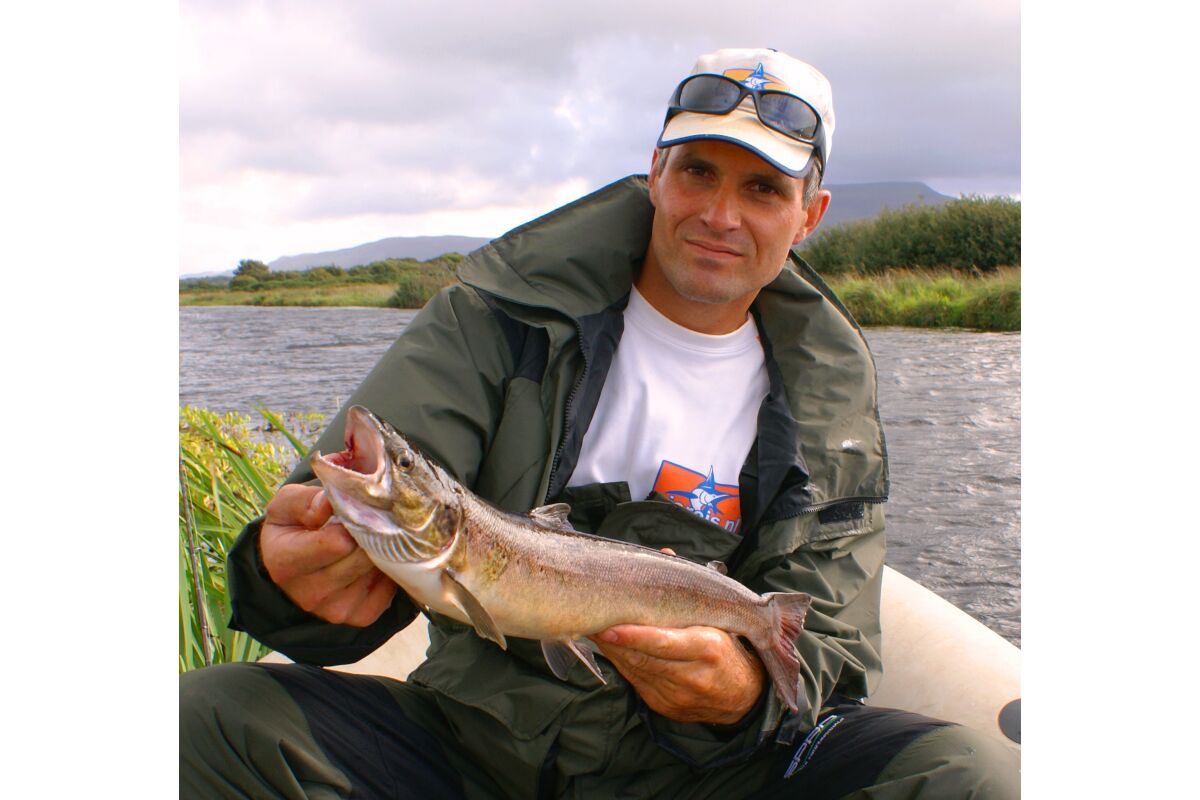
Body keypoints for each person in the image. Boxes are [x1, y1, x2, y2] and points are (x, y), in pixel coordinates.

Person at [180, 48, 1019, 798]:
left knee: (965, 778)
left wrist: (740, 695)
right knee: (199, 721)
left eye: (763, 189)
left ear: (811, 214)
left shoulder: (829, 399)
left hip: (706, 775)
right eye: (698, 172)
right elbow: (329, 554)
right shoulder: (495, 321)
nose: (720, 214)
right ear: (655, 174)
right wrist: (283, 577)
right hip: (474, 743)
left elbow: (830, 659)